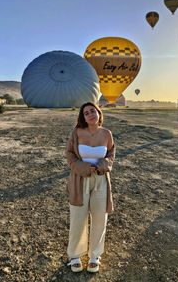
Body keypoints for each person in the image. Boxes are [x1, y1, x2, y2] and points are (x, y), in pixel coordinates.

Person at [65, 102, 115, 273]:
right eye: (86, 113)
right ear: (83, 117)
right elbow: (69, 154)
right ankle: (75, 255)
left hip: (101, 180)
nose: (90, 114)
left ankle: (95, 255)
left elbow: (111, 154)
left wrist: (103, 165)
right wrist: (83, 168)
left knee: (100, 218)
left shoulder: (107, 133)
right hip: (79, 180)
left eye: (93, 111)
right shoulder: (76, 132)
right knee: (78, 217)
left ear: (99, 113)